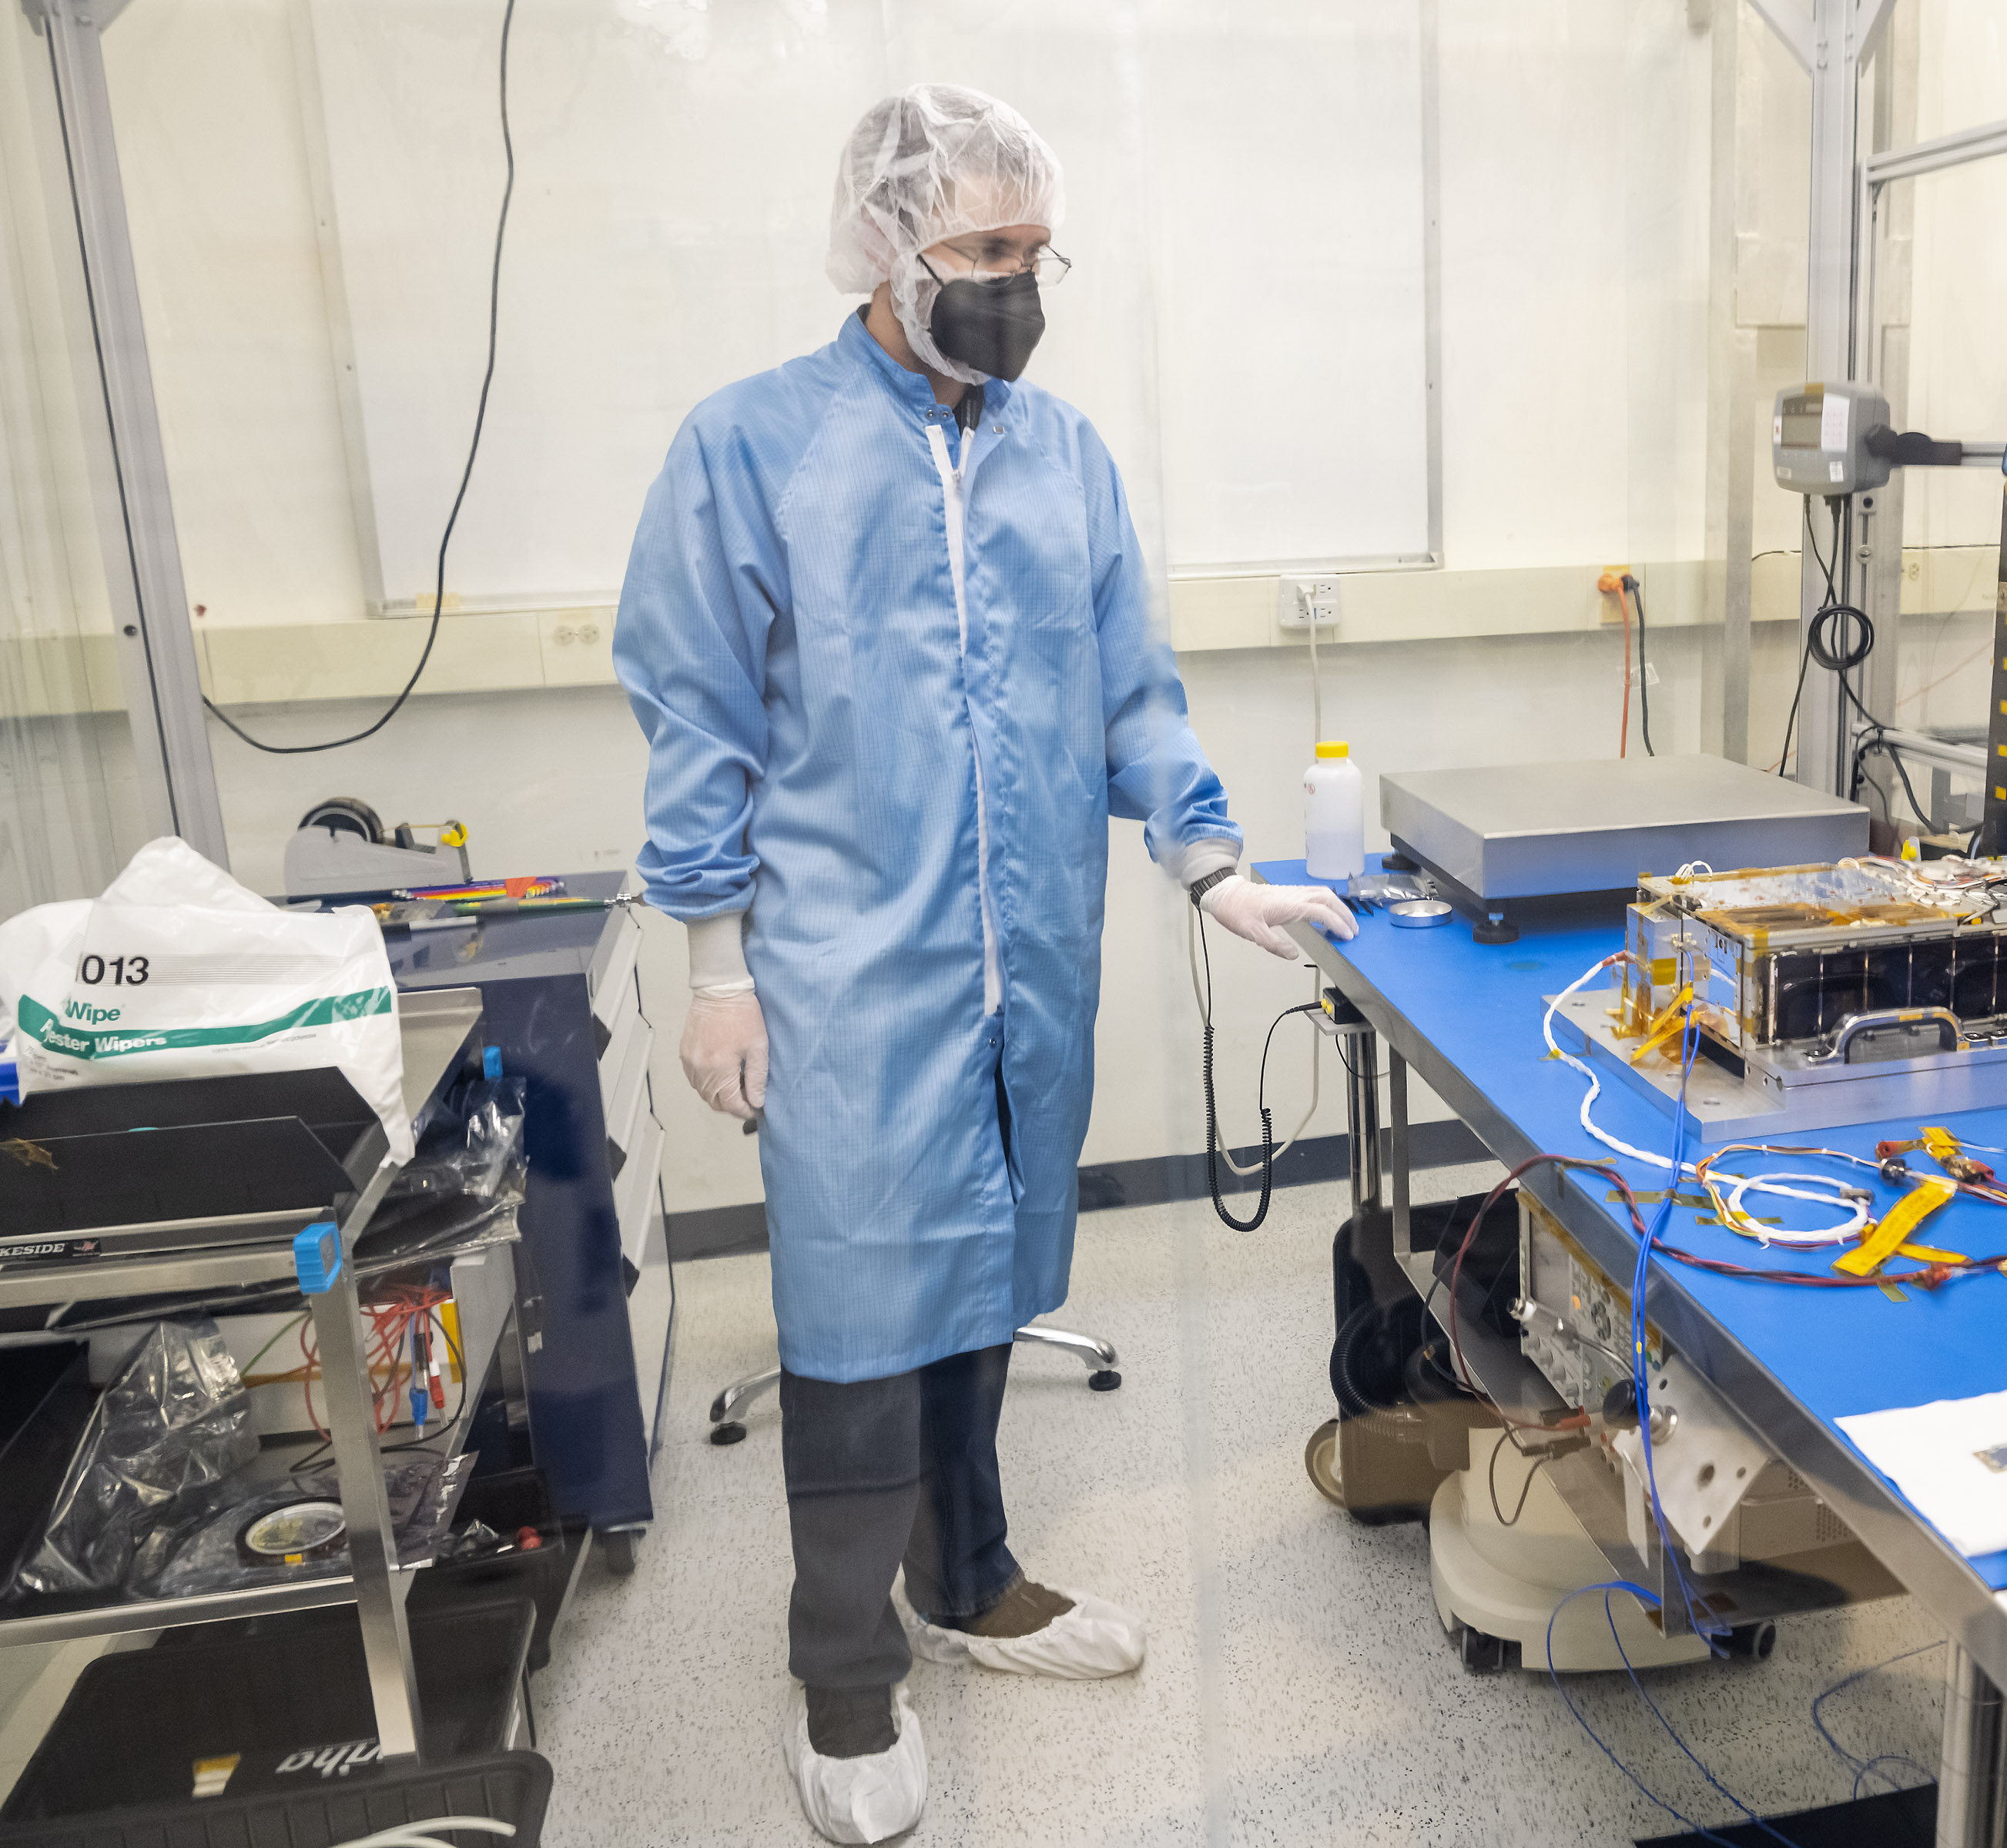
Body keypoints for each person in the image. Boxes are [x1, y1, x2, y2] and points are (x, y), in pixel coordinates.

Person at [614, 83, 1356, 1845]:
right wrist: (715, 960)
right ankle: (847, 1674)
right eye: (983, 250)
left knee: (983, 1270)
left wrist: (1213, 865)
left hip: (1029, 962)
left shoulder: (1061, 454)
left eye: (1037, 253)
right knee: (865, 1309)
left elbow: (1131, 690)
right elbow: (696, 710)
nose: (1018, 284)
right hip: (844, 973)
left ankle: (971, 1577)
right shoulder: (753, 447)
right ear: (886, 246)